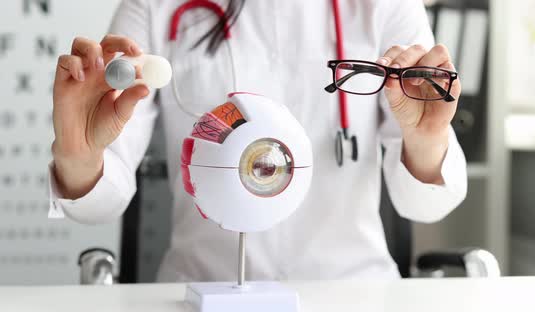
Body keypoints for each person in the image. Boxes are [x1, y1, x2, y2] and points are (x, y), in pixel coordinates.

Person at [49, 0, 467, 282]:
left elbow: (425, 202)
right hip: (204, 291)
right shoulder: (155, 6)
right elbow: (99, 202)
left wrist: (426, 138)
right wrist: (78, 153)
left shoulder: (387, 6)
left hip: (351, 289)